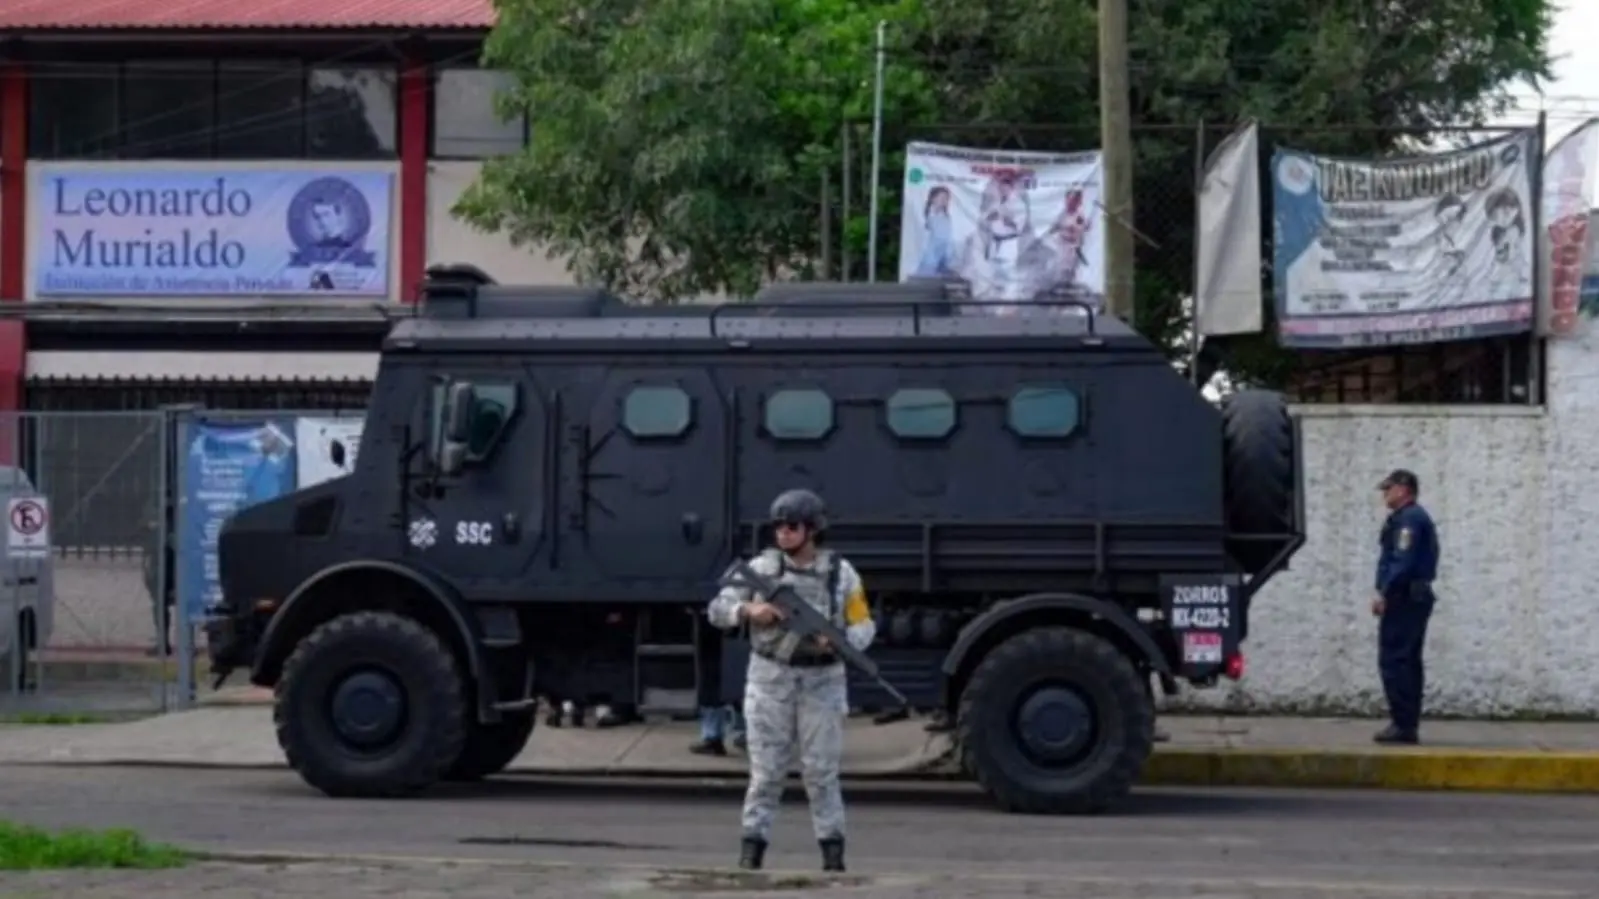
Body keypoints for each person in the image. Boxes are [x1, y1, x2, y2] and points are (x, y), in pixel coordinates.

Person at [706, 488, 875, 873]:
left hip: (822, 681)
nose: (783, 533)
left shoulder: (840, 574)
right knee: (765, 774)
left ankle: (833, 855)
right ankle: (751, 851)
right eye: (778, 526)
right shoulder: (762, 570)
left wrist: (839, 641)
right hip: (771, 678)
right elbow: (717, 609)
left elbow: (863, 622)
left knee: (821, 774)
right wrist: (749, 609)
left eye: (792, 526)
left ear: (812, 530)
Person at [1372, 469, 1439, 745]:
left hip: (1405, 598)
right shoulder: (1408, 518)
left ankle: (1403, 725)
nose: (1385, 494)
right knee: (1407, 661)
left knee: (1396, 660)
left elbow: (1403, 560)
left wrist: (1385, 592)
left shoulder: (1409, 520)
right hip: (1411, 597)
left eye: (1389, 489)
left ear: (1403, 489)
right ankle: (1405, 722)